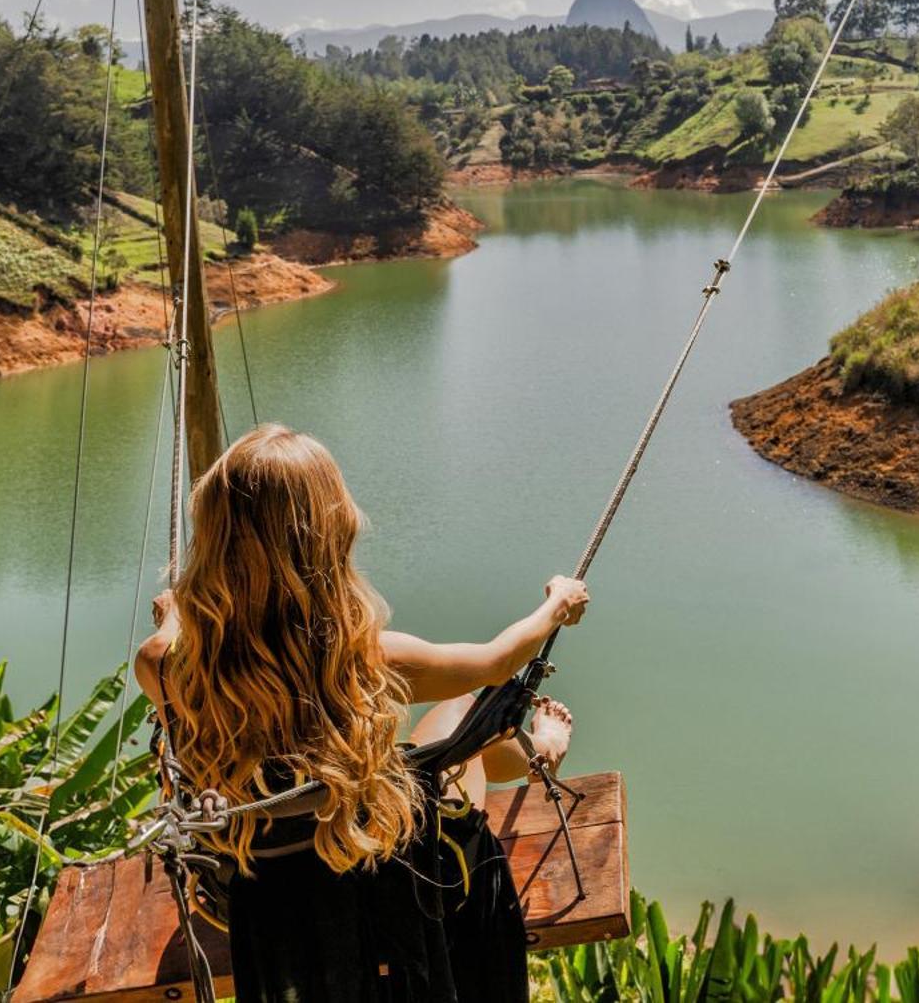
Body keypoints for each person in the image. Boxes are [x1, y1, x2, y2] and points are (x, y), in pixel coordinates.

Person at [134, 423, 587, 1003]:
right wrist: (557, 604)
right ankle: (541, 753)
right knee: (459, 720)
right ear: (329, 532)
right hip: (378, 872)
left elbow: (170, 636)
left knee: (438, 742)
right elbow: (496, 661)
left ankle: (530, 754)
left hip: (249, 884)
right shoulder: (364, 659)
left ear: (214, 540)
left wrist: (176, 613)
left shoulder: (168, 666)